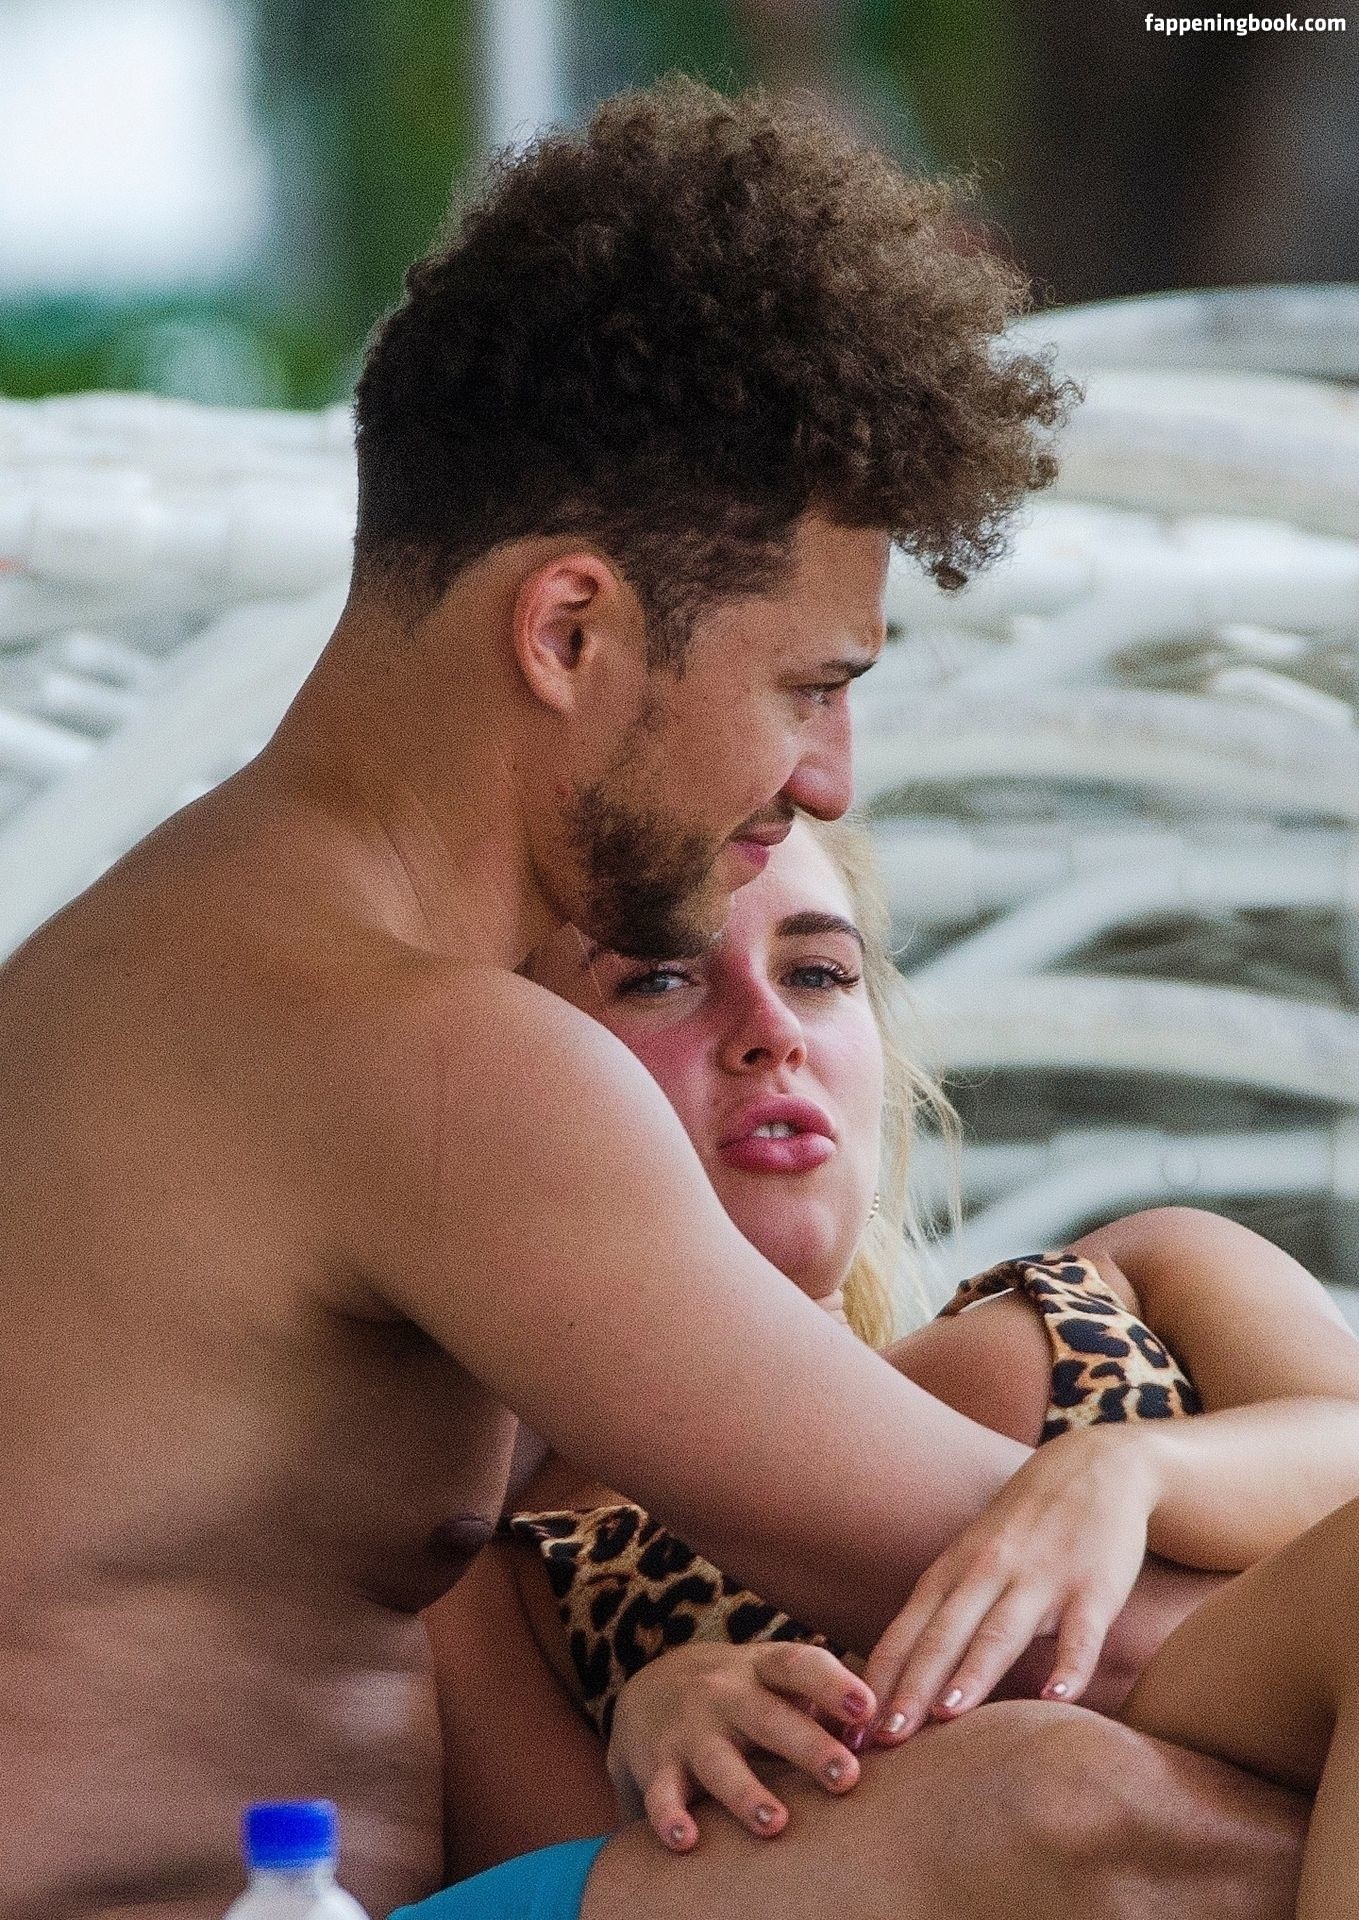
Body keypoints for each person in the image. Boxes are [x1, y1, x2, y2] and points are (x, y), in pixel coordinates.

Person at [0, 76, 1305, 1920]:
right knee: (1071, 1815)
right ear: (567, 633)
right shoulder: (422, 1055)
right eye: (807, 686)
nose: (828, 779)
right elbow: (1057, 1625)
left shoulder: (182, 952)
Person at [422, 813, 1359, 1906]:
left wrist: (1129, 1471)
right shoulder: (509, 1584)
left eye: (818, 973)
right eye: (660, 979)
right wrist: (650, 1741)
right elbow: (563, 1895)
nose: (771, 1030)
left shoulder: (1148, 1268)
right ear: (517, 1074)